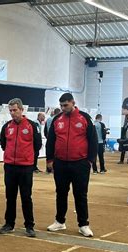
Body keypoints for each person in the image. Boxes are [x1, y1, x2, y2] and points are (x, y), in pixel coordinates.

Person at [46, 93, 97, 237]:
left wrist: (90, 161)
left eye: (65, 105)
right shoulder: (57, 119)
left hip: (80, 163)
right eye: (61, 106)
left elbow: (93, 140)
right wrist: (50, 160)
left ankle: (83, 224)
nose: (63, 108)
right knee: (61, 193)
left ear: (73, 103)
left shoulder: (84, 118)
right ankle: (59, 221)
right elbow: (51, 141)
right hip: (61, 163)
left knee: (80, 194)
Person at [0, 98, 42, 237]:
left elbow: (37, 145)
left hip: (25, 167)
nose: (12, 113)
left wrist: (28, 159)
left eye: (15, 110)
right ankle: (9, 224)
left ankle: (29, 225)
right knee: (10, 197)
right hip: (10, 167)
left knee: (26, 197)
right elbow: (3, 144)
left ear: (22, 110)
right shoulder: (6, 127)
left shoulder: (32, 125)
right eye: (10, 111)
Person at [44, 108, 61, 174]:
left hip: (49, 138)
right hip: (56, 139)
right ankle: (54, 169)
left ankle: (48, 169)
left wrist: (47, 137)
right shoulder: (58, 119)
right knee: (56, 155)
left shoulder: (48, 119)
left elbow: (45, 130)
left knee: (49, 153)